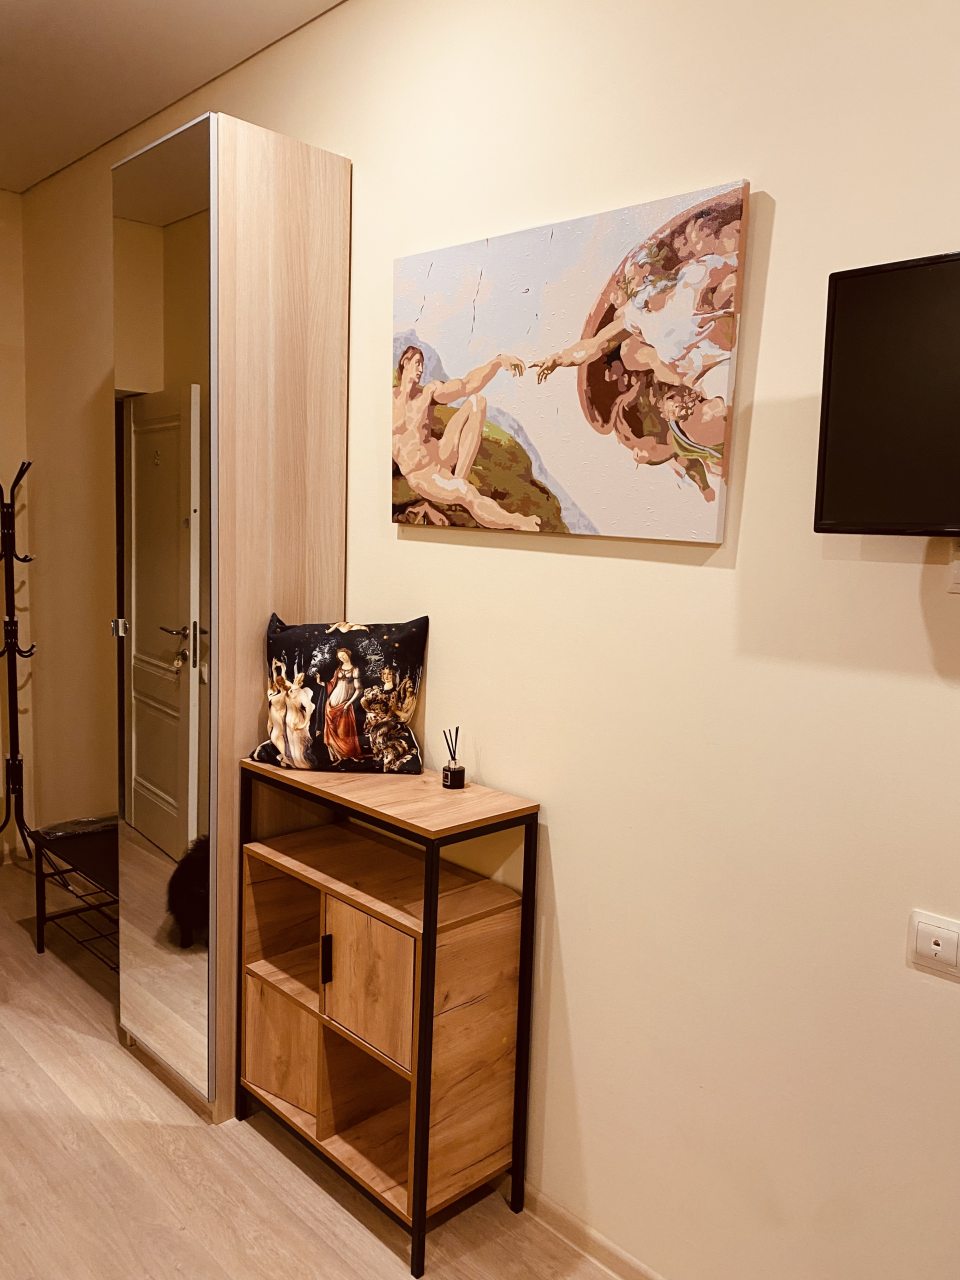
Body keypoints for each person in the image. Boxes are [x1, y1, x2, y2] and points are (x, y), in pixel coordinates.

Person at [392, 345, 541, 532]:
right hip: (422, 474)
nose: (421, 369)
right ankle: (516, 521)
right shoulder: (387, 401)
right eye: (417, 363)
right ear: (405, 362)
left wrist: (497, 362)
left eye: (422, 364)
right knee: (466, 493)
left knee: (477, 401)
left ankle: (459, 478)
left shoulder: (427, 392)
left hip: (441, 453)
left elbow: (466, 385)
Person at [323, 647, 363, 764]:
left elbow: (359, 690)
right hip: (331, 704)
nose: (342, 658)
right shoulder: (338, 669)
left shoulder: (355, 670)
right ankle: (337, 756)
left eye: (343, 655)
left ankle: (347, 754)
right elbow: (332, 684)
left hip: (344, 705)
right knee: (332, 731)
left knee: (343, 732)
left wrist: (348, 704)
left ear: (348, 654)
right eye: (340, 657)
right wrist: (321, 682)